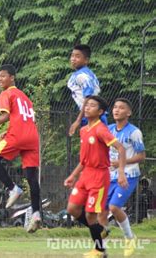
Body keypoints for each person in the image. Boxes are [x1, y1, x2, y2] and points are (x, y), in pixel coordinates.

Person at [0, 64, 41, 233]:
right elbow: (23, 118)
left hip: (18, 135)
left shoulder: (6, 93)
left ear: (12, 77)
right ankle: (36, 213)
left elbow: (5, 116)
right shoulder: (25, 97)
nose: (0, 79)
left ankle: (13, 188)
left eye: (3, 76)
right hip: (32, 137)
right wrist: (8, 129)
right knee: (31, 176)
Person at [64, 95, 128, 258]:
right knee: (72, 209)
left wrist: (121, 172)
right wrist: (73, 176)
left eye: (92, 106)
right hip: (85, 175)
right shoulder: (84, 130)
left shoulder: (101, 129)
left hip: (99, 177)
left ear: (100, 112)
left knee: (91, 215)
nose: (87, 108)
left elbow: (121, 149)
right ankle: (101, 230)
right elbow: (84, 160)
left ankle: (100, 251)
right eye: (86, 105)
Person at [98, 98, 145, 257]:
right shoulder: (108, 129)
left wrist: (120, 163)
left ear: (129, 112)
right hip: (107, 176)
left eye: (121, 107)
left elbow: (141, 156)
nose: (117, 110)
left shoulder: (134, 132)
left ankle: (130, 238)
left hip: (128, 175)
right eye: (115, 107)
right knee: (101, 211)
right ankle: (101, 250)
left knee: (114, 207)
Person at [67, 44, 105, 136]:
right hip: (89, 114)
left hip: (93, 116)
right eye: (72, 55)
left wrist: (78, 120)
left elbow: (89, 97)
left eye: (77, 56)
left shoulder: (83, 76)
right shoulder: (83, 73)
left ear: (86, 60)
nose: (73, 59)